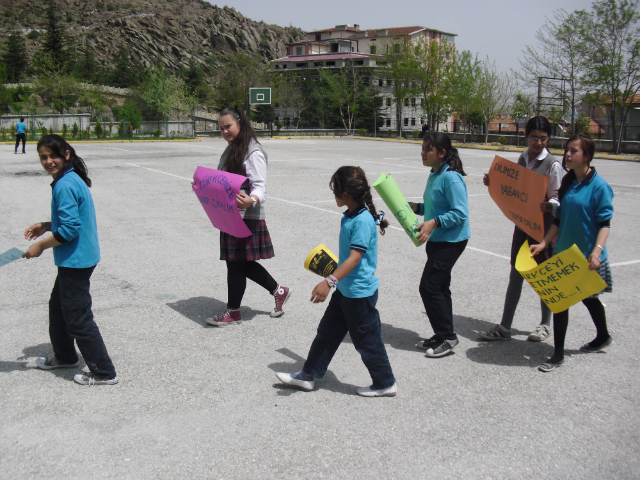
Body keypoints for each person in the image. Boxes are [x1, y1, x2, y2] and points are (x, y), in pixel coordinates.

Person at [276, 166, 397, 397]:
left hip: (359, 295)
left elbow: (354, 259)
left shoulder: (361, 221)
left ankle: (385, 383)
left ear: (345, 195)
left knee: (367, 342)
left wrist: (328, 282)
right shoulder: (353, 214)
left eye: (335, 190)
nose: (333, 194)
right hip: (346, 290)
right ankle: (308, 375)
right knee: (327, 333)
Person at [23, 135, 118, 386]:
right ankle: (65, 356)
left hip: (76, 261)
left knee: (77, 318)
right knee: (58, 308)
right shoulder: (70, 177)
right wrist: (46, 225)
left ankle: (103, 372)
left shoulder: (65, 184)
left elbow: (68, 231)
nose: (48, 161)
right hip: (79, 258)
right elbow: (70, 220)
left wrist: (39, 246)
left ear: (66, 154)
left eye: (53, 156)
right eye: (43, 157)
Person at [531, 133, 614, 372]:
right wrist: (545, 243)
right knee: (560, 303)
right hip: (566, 255)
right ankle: (557, 354)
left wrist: (596, 252)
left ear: (587, 156)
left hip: (588, 257)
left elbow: (605, 224)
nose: (567, 154)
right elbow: (558, 220)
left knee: (590, 299)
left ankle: (603, 336)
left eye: (573, 151)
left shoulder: (599, 186)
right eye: (567, 150)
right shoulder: (569, 183)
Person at [478, 116, 563, 343]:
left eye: (543, 138)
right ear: (525, 136)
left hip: (543, 229)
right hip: (524, 226)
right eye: (534, 137)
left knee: (544, 276)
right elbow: (515, 188)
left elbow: (558, 198)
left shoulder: (553, 165)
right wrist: (493, 182)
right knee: (516, 274)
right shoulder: (523, 158)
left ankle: (545, 324)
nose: (539, 143)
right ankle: (505, 326)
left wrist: (551, 204)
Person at [205, 107, 290, 326]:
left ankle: (233, 311)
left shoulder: (253, 152)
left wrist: (251, 199)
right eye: (221, 128)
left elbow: (261, 187)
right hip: (230, 214)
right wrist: (203, 185)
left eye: (228, 126)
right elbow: (221, 179)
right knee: (240, 263)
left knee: (236, 263)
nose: (224, 131)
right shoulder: (231, 149)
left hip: (247, 216)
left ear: (240, 123)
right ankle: (278, 291)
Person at [409, 132, 470, 357]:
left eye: (428, 149)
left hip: (451, 241)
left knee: (429, 286)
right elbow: (436, 206)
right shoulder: (435, 174)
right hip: (438, 239)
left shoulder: (451, 178)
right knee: (441, 287)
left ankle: (448, 337)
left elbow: (460, 213)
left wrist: (433, 222)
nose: (423, 152)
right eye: (423, 148)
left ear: (442, 153)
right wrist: (418, 208)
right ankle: (443, 332)